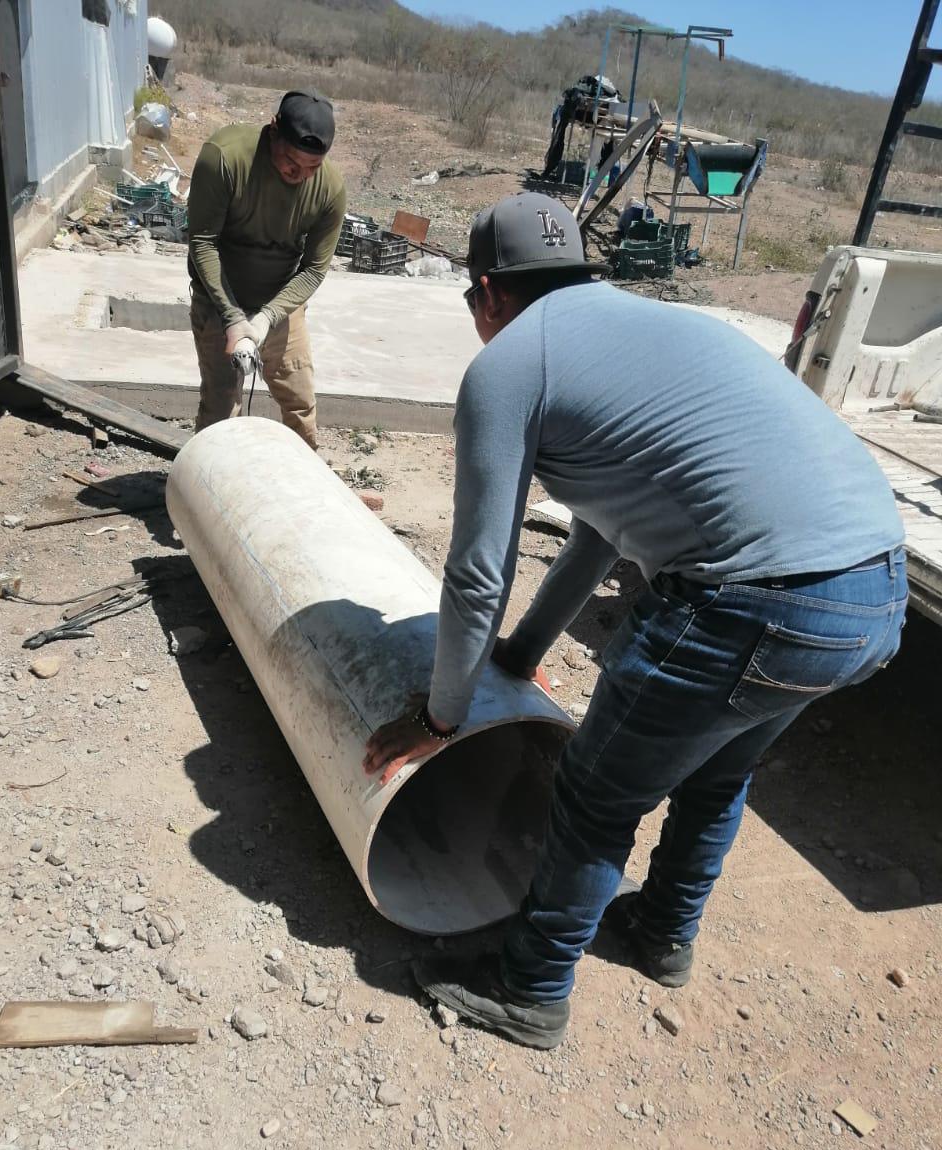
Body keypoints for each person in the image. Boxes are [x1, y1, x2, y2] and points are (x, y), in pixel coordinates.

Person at [363, 193, 907, 1051]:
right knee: (717, 770)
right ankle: (662, 933)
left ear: (488, 292)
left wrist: (440, 717)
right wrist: (520, 655)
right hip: (875, 591)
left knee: (594, 791)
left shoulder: (510, 365)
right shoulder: (648, 329)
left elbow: (477, 572)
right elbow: (599, 534)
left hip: (758, 601)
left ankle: (531, 988)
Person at [186, 90, 347, 448]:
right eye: (292, 162)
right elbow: (203, 242)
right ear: (273, 130)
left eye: (313, 167)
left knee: (300, 405)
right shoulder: (225, 158)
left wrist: (266, 318)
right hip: (218, 301)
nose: (300, 175)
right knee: (219, 409)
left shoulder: (330, 189)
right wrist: (231, 316)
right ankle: (211, 480)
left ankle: (302, 478)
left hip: (281, 305)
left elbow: (313, 269)